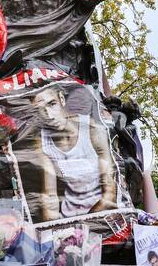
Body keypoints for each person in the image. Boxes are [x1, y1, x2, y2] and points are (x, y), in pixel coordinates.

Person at [31, 87, 117, 221]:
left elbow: (110, 192)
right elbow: (50, 196)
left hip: (102, 213)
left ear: (62, 99)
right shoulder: (43, 142)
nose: (49, 116)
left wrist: (85, 225)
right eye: (40, 110)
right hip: (68, 218)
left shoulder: (90, 128)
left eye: (52, 104)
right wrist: (55, 232)